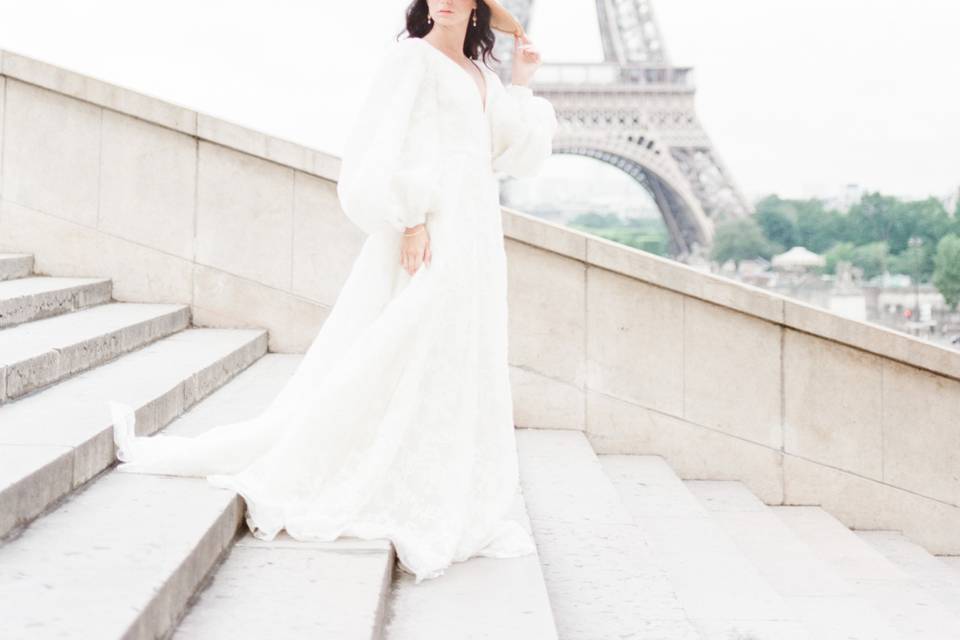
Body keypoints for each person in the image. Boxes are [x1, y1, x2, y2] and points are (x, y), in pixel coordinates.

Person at [108, 0, 558, 584]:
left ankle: (437, 478)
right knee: (406, 343)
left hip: (476, 233)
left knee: (452, 354)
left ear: (476, 4)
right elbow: (380, 146)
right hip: (436, 226)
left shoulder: (480, 76)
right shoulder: (410, 61)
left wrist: (521, 81)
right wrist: (410, 219)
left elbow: (508, 153)